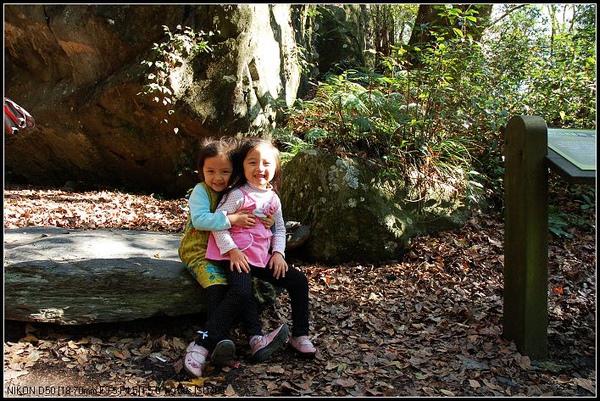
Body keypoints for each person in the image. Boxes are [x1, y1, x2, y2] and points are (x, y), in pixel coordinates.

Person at [178, 136, 289, 378]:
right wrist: (232, 219)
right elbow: (200, 220)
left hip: (224, 251)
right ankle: (211, 341)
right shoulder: (201, 191)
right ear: (201, 171)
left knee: (242, 286)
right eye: (211, 171)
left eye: (225, 172)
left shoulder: (236, 191)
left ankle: (253, 337)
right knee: (218, 286)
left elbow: (258, 216)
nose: (218, 177)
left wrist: (269, 221)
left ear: (234, 171)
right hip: (199, 252)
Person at [206, 137, 317, 359]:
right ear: (242, 166)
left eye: (266, 163)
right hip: (236, 256)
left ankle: (299, 335)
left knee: (298, 281)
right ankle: (212, 340)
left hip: (260, 257)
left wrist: (278, 253)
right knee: (241, 290)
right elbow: (218, 224)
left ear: (276, 168)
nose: (260, 168)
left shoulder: (273, 198)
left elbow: (280, 229)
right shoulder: (237, 194)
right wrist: (232, 251)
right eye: (252, 162)